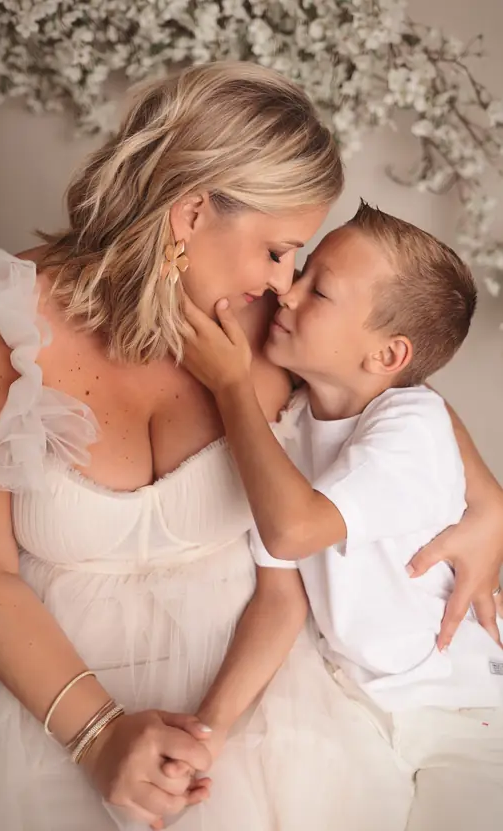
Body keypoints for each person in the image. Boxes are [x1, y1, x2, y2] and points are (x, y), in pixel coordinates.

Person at [0, 60, 500, 831]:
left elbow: (390, 389)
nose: (285, 282)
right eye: (279, 249)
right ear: (192, 213)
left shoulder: (260, 330)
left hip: (258, 697)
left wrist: (490, 499)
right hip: (51, 696)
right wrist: (99, 734)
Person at [180, 201, 503, 831]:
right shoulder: (289, 427)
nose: (287, 291)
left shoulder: (414, 430)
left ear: (387, 356)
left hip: (467, 714)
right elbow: (280, 598)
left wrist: (230, 388)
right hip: (361, 702)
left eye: (318, 290)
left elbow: (294, 529)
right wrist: (209, 729)